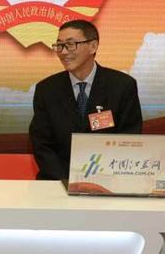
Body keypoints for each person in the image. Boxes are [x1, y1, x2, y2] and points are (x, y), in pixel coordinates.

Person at [29, 20, 142, 180]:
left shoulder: (122, 86)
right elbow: (42, 145)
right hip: (58, 181)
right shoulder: (47, 89)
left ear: (93, 46)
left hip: (109, 181)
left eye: (71, 44)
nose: (63, 52)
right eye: (59, 45)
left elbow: (129, 138)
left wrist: (101, 179)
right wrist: (69, 182)